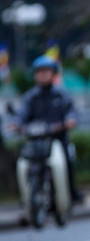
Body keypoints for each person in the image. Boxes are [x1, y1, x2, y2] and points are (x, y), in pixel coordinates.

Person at [10, 55, 84, 204]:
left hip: (57, 138)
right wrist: (16, 124)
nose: (43, 74)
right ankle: (27, 196)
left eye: (46, 71)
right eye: (39, 71)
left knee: (66, 160)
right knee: (24, 163)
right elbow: (21, 114)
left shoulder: (61, 94)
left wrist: (70, 121)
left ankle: (71, 192)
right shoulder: (30, 97)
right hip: (36, 140)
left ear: (53, 73)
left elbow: (71, 111)